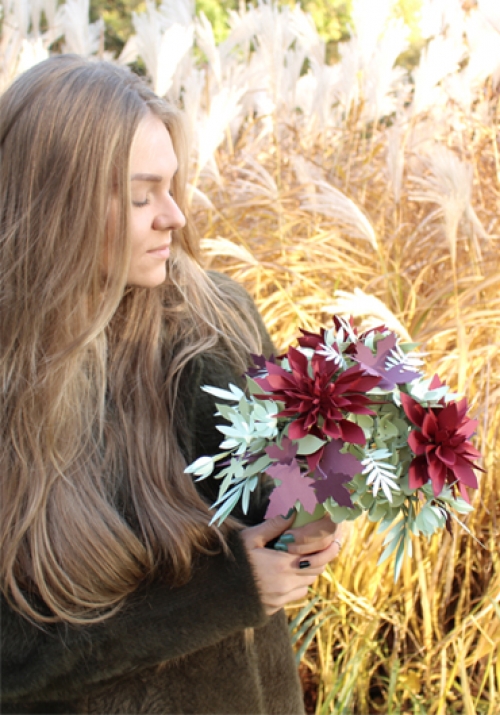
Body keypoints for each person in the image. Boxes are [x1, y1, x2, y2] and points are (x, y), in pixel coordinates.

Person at [0, 55, 342, 715]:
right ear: (53, 204)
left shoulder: (213, 318)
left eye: (173, 186)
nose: (175, 217)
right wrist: (224, 591)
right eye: (140, 195)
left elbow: (274, 505)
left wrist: (326, 502)